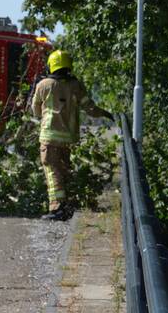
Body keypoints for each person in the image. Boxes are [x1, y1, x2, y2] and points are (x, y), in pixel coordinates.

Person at [31, 50, 113, 221]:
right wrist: (106, 114)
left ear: (51, 66)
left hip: (49, 137)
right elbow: (90, 108)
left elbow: (36, 110)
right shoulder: (76, 85)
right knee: (64, 171)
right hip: (68, 139)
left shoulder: (43, 85)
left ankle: (57, 208)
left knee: (52, 171)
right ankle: (67, 206)